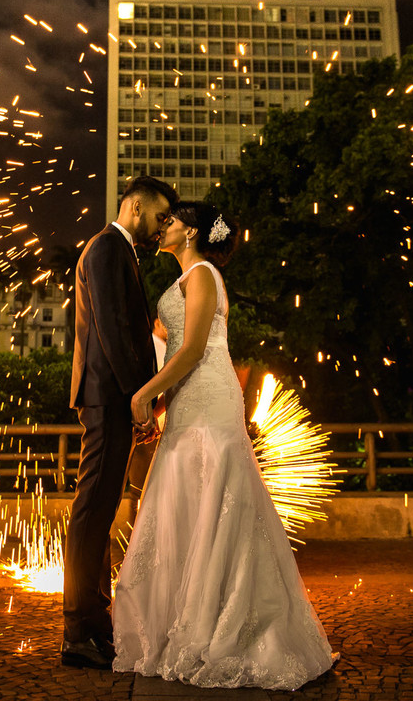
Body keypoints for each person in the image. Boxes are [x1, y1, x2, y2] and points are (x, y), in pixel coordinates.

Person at [112, 202, 336, 690]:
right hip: (187, 400)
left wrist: (146, 394)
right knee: (184, 498)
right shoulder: (182, 280)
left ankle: (228, 624)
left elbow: (192, 349)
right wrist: (157, 401)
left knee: (218, 492)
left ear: (190, 230)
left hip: (209, 397)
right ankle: (184, 617)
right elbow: (165, 347)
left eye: (170, 220)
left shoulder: (205, 274)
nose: (162, 225)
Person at [62, 175, 178, 670]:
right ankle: (79, 631)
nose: (162, 228)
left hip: (112, 398)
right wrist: (141, 398)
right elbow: (113, 331)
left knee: (101, 510)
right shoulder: (108, 248)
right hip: (109, 399)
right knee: (92, 511)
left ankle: (94, 624)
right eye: (158, 217)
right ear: (134, 207)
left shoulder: (117, 249)